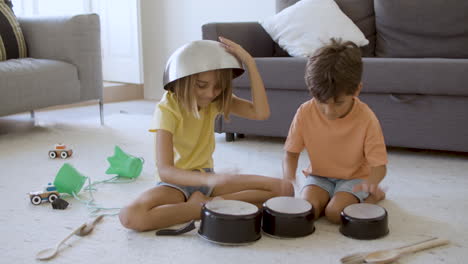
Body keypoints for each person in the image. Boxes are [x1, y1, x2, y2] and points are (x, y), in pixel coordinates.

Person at [119, 37, 293, 231]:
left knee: (284, 189)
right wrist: (207, 181)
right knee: (131, 216)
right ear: (183, 80)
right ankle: (202, 208)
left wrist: (250, 63)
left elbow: (261, 112)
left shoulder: (214, 101)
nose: (210, 93)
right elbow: (166, 171)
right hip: (177, 184)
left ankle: (209, 203)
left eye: (218, 86)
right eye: (202, 85)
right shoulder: (167, 109)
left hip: (209, 180)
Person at [282, 38, 388, 224]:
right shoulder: (305, 112)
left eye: (338, 103)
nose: (330, 111)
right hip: (319, 176)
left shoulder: (366, 118)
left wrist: (370, 185)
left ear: (357, 90)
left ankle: (374, 197)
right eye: (322, 103)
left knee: (334, 213)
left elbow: (379, 166)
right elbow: (291, 153)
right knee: (308, 211)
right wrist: (289, 179)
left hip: (355, 179)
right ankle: (332, 198)